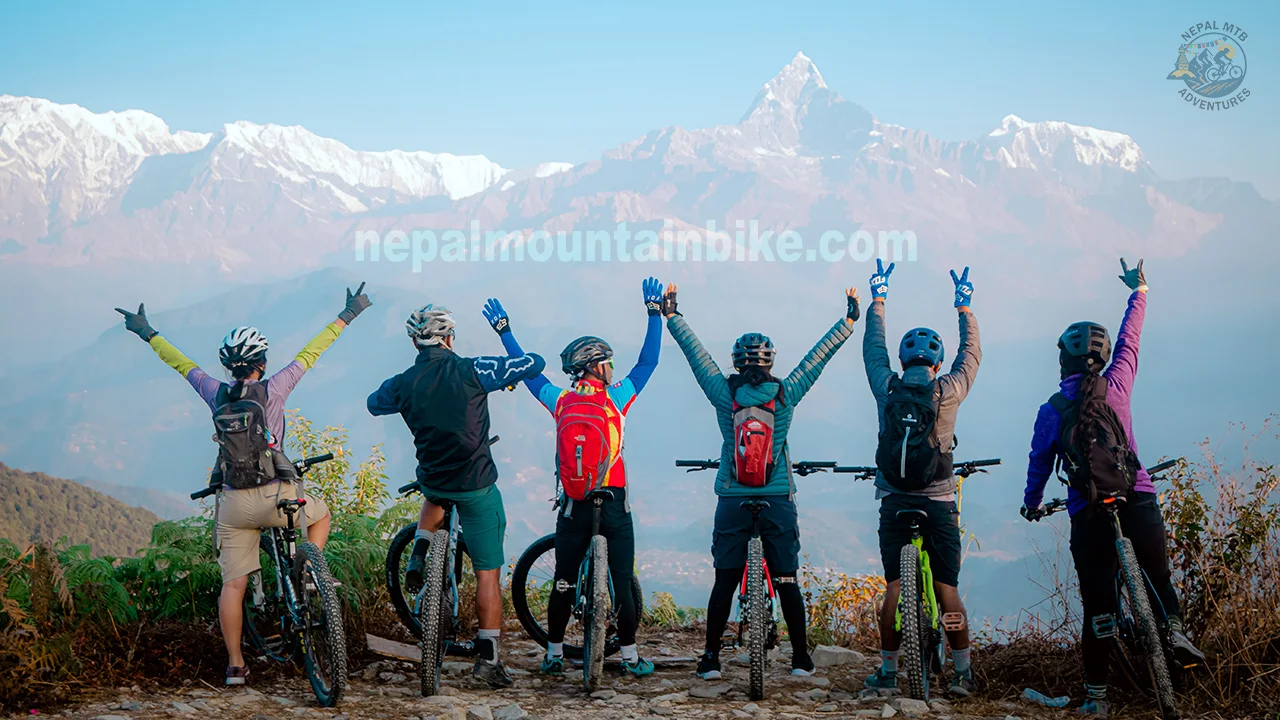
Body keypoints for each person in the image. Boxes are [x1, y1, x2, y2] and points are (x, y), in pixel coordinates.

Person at [115, 282, 372, 687]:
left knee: (232, 585)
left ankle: (235, 666)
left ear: (226, 364)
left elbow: (180, 364)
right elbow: (313, 351)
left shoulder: (215, 392)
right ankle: (309, 572)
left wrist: (147, 331)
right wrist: (350, 313)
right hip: (279, 496)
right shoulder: (276, 387)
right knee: (320, 518)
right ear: (263, 362)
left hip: (235, 504)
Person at [1021, 259, 1205, 717]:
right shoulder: (1118, 384)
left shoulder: (1051, 410)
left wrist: (1032, 503)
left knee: (1099, 607)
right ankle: (1176, 629)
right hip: (1137, 498)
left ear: (1061, 359)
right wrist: (1138, 290)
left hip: (1089, 514)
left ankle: (1097, 700)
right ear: (1101, 359)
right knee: (1159, 578)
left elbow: (1039, 462)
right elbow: (1131, 339)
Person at [663, 282, 861, 680]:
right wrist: (848, 321)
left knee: (724, 581)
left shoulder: (724, 394)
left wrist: (672, 316)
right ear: (770, 364)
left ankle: (710, 661)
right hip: (777, 497)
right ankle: (801, 660)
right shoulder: (786, 394)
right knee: (787, 580)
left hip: (733, 497)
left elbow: (696, 356)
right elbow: (815, 360)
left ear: (737, 363)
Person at [479, 276, 665, 679]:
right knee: (621, 580)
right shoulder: (616, 398)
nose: (613, 368)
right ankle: (631, 657)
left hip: (574, 506)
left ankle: (554, 653)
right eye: (608, 362)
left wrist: (505, 332)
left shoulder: (561, 401)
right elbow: (648, 362)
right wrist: (654, 315)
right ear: (598, 367)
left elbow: (529, 375)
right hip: (613, 502)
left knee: (563, 581)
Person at [367, 304, 546, 688]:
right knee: (487, 573)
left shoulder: (402, 383)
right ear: (450, 338)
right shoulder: (473, 370)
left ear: (415, 341)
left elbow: (373, 403)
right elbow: (534, 363)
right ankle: (489, 659)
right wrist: (505, 339)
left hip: (435, 479)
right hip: (477, 483)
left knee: (432, 494)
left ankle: (419, 552)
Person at [861, 260, 982, 697]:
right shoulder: (947, 390)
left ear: (902, 359)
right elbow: (972, 356)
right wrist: (964, 308)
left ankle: (889, 672)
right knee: (947, 589)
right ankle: (964, 675)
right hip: (938, 500)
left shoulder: (887, 388)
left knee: (894, 586)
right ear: (937, 361)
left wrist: (879, 299)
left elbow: (872, 351)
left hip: (894, 497)